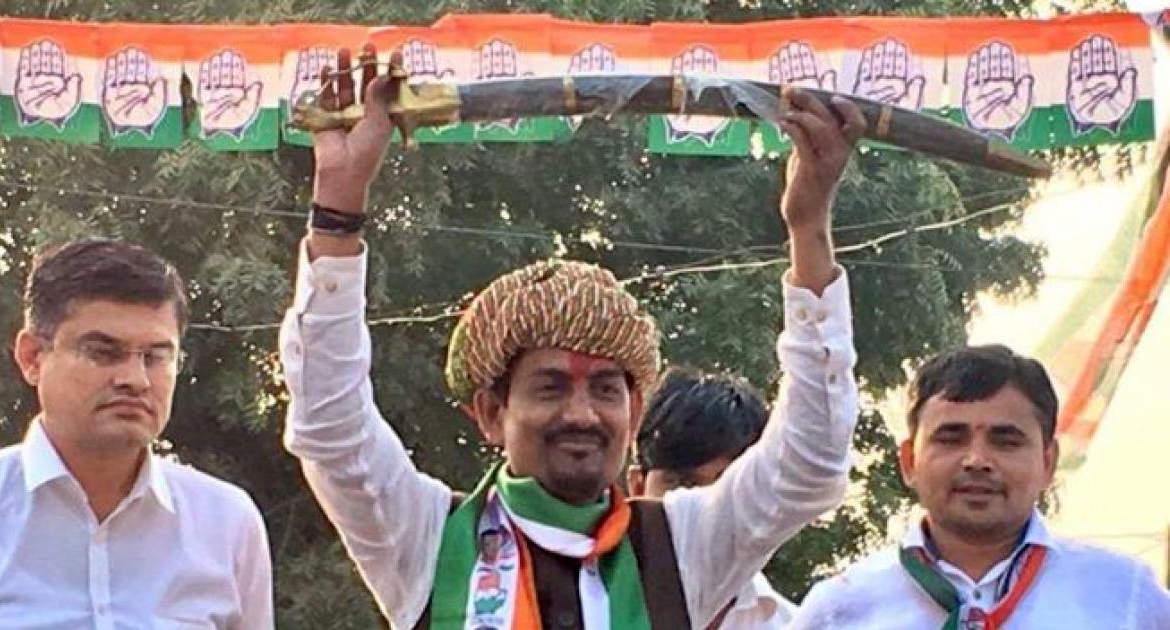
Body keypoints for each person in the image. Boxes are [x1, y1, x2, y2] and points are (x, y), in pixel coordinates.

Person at [282, 48, 865, 629]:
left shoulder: (681, 545)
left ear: (634, 415)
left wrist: (809, 226)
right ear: (491, 413)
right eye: (551, 387)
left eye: (606, 390)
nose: (582, 415)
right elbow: (332, 428)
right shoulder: (427, 538)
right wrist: (338, 204)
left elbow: (810, 461)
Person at [0, 240, 274, 629]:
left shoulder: (225, 523)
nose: (135, 379)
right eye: (103, 352)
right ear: (32, 357)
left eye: (155, 356)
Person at [791, 344, 1170, 629]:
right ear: (908, 461)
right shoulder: (839, 609)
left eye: (1006, 441)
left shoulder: (1127, 596)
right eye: (951, 438)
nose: (976, 460)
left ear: (1047, 462)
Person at [628, 367, 798, 629]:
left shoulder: (794, 624)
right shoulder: (593, 609)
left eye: (729, 488)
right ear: (638, 487)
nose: (706, 506)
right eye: (684, 483)